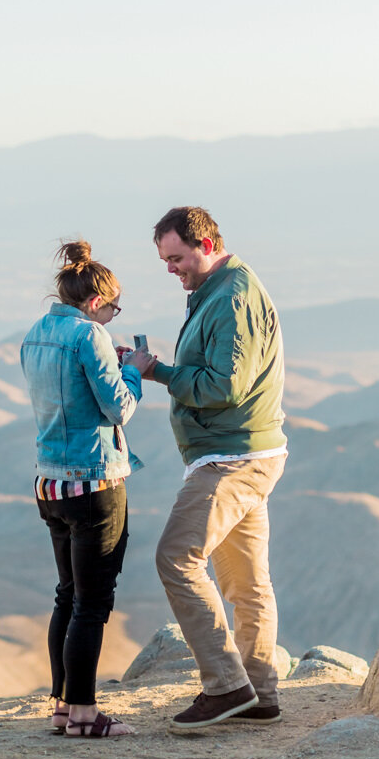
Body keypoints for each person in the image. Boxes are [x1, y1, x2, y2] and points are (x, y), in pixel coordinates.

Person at [145, 206, 287, 730]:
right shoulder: (216, 291)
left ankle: (227, 687)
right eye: (164, 259)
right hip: (242, 453)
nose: (170, 269)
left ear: (205, 244)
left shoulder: (232, 297)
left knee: (176, 558)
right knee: (246, 581)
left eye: (176, 257)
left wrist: (157, 371)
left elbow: (224, 386)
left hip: (233, 458)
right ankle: (260, 694)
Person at [20, 240, 155, 739]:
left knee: (67, 596)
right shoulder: (90, 335)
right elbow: (118, 408)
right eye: (114, 307)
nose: (114, 316)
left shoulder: (35, 334)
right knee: (92, 604)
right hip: (95, 481)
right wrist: (133, 370)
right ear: (96, 302)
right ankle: (83, 712)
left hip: (49, 481)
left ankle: (61, 706)